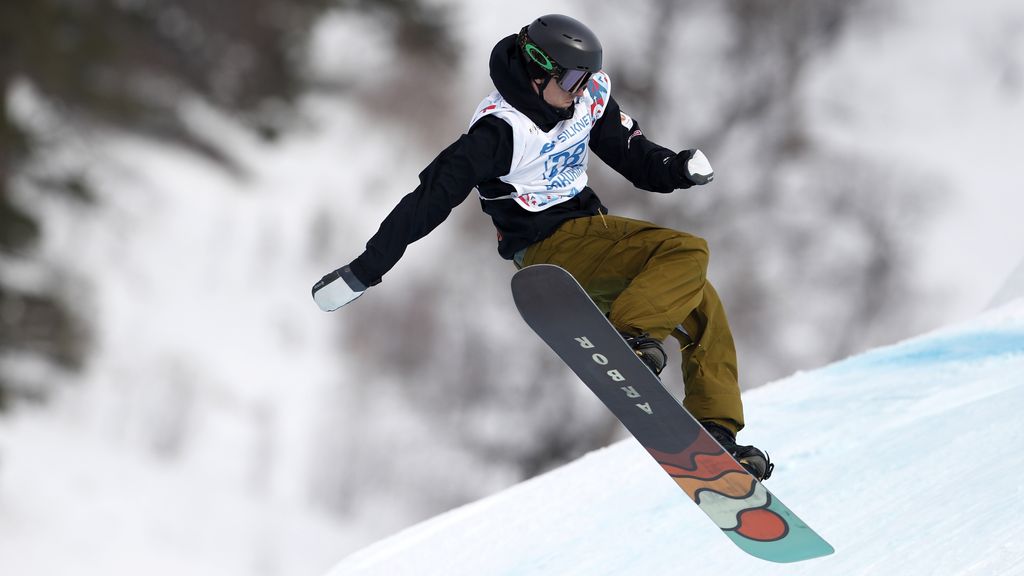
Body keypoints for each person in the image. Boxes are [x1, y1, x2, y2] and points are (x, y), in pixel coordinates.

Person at [312, 14, 772, 480]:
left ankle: (717, 433)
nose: (579, 91)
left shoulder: (587, 99)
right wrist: (365, 270)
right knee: (688, 250)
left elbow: (633, 155)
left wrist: (675, 168)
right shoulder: (499, 133)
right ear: (537, 71)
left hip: (593, 234)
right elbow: (426, 202)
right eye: (571, 80)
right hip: (547, 245)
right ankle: (633, 337)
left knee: (702, 301)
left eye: (586, 79)